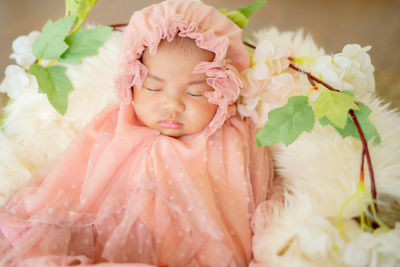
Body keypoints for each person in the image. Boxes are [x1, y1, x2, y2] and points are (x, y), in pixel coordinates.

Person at [0, 1, 274, 266]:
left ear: (222, 90)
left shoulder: (231, 137)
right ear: (132, 82)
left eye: (196, 92)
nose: (172, 105)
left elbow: (246, 196)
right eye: (154, 88)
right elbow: (78, 179)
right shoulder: (116, 124)